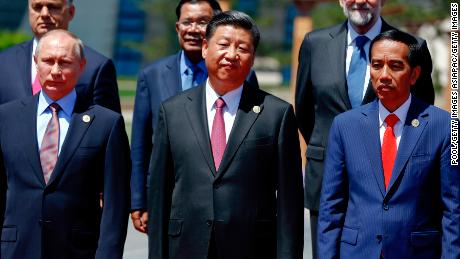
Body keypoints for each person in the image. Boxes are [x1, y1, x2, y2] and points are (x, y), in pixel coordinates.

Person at [147, 11, 304, 259]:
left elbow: (290, 203)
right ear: (206, 48)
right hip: (186, 245)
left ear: (252, 58)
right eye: (223, 45)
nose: (231, 55)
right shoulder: (173, 111)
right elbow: (160, 193)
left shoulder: (276, 114)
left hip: (251, 247)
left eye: (242, 48)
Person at [294, 1, 435, 256]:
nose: (359, 1)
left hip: (388, 185)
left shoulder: (411, 47)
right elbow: (304, 111)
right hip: (326, 177)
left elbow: (422, 117)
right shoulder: (314, 43)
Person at [317, 29, 459, 258]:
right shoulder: (345, 126)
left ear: (414, 75)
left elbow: (454, 208)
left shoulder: (445, 127)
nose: (383, 75)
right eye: (376, 65)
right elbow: (330, 208)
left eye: (395, 66)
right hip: (357, 251)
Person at [130, 0, 258, 233]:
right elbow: (140, 144)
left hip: (226, 200)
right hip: (168, 193)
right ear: (177, 27)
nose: (193, 29)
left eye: (202, 22)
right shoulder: (152, 75)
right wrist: (139, 199)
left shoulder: (242, 75)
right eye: (187, 22)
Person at [0, 30, 131, 259]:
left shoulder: (105, 124)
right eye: (48, 61)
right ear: (36, 63)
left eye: (65, 62)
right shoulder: (7, 117)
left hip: (78, 250)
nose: (56, 71)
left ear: (82, 66)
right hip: (16, 249)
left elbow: (115, 204)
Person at [0, 0, 121, 112]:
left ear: (71, 12)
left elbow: (109, 130)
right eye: (37, 7)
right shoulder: (4, 63)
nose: (44, 14)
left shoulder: (96, 67)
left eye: (53, 7)